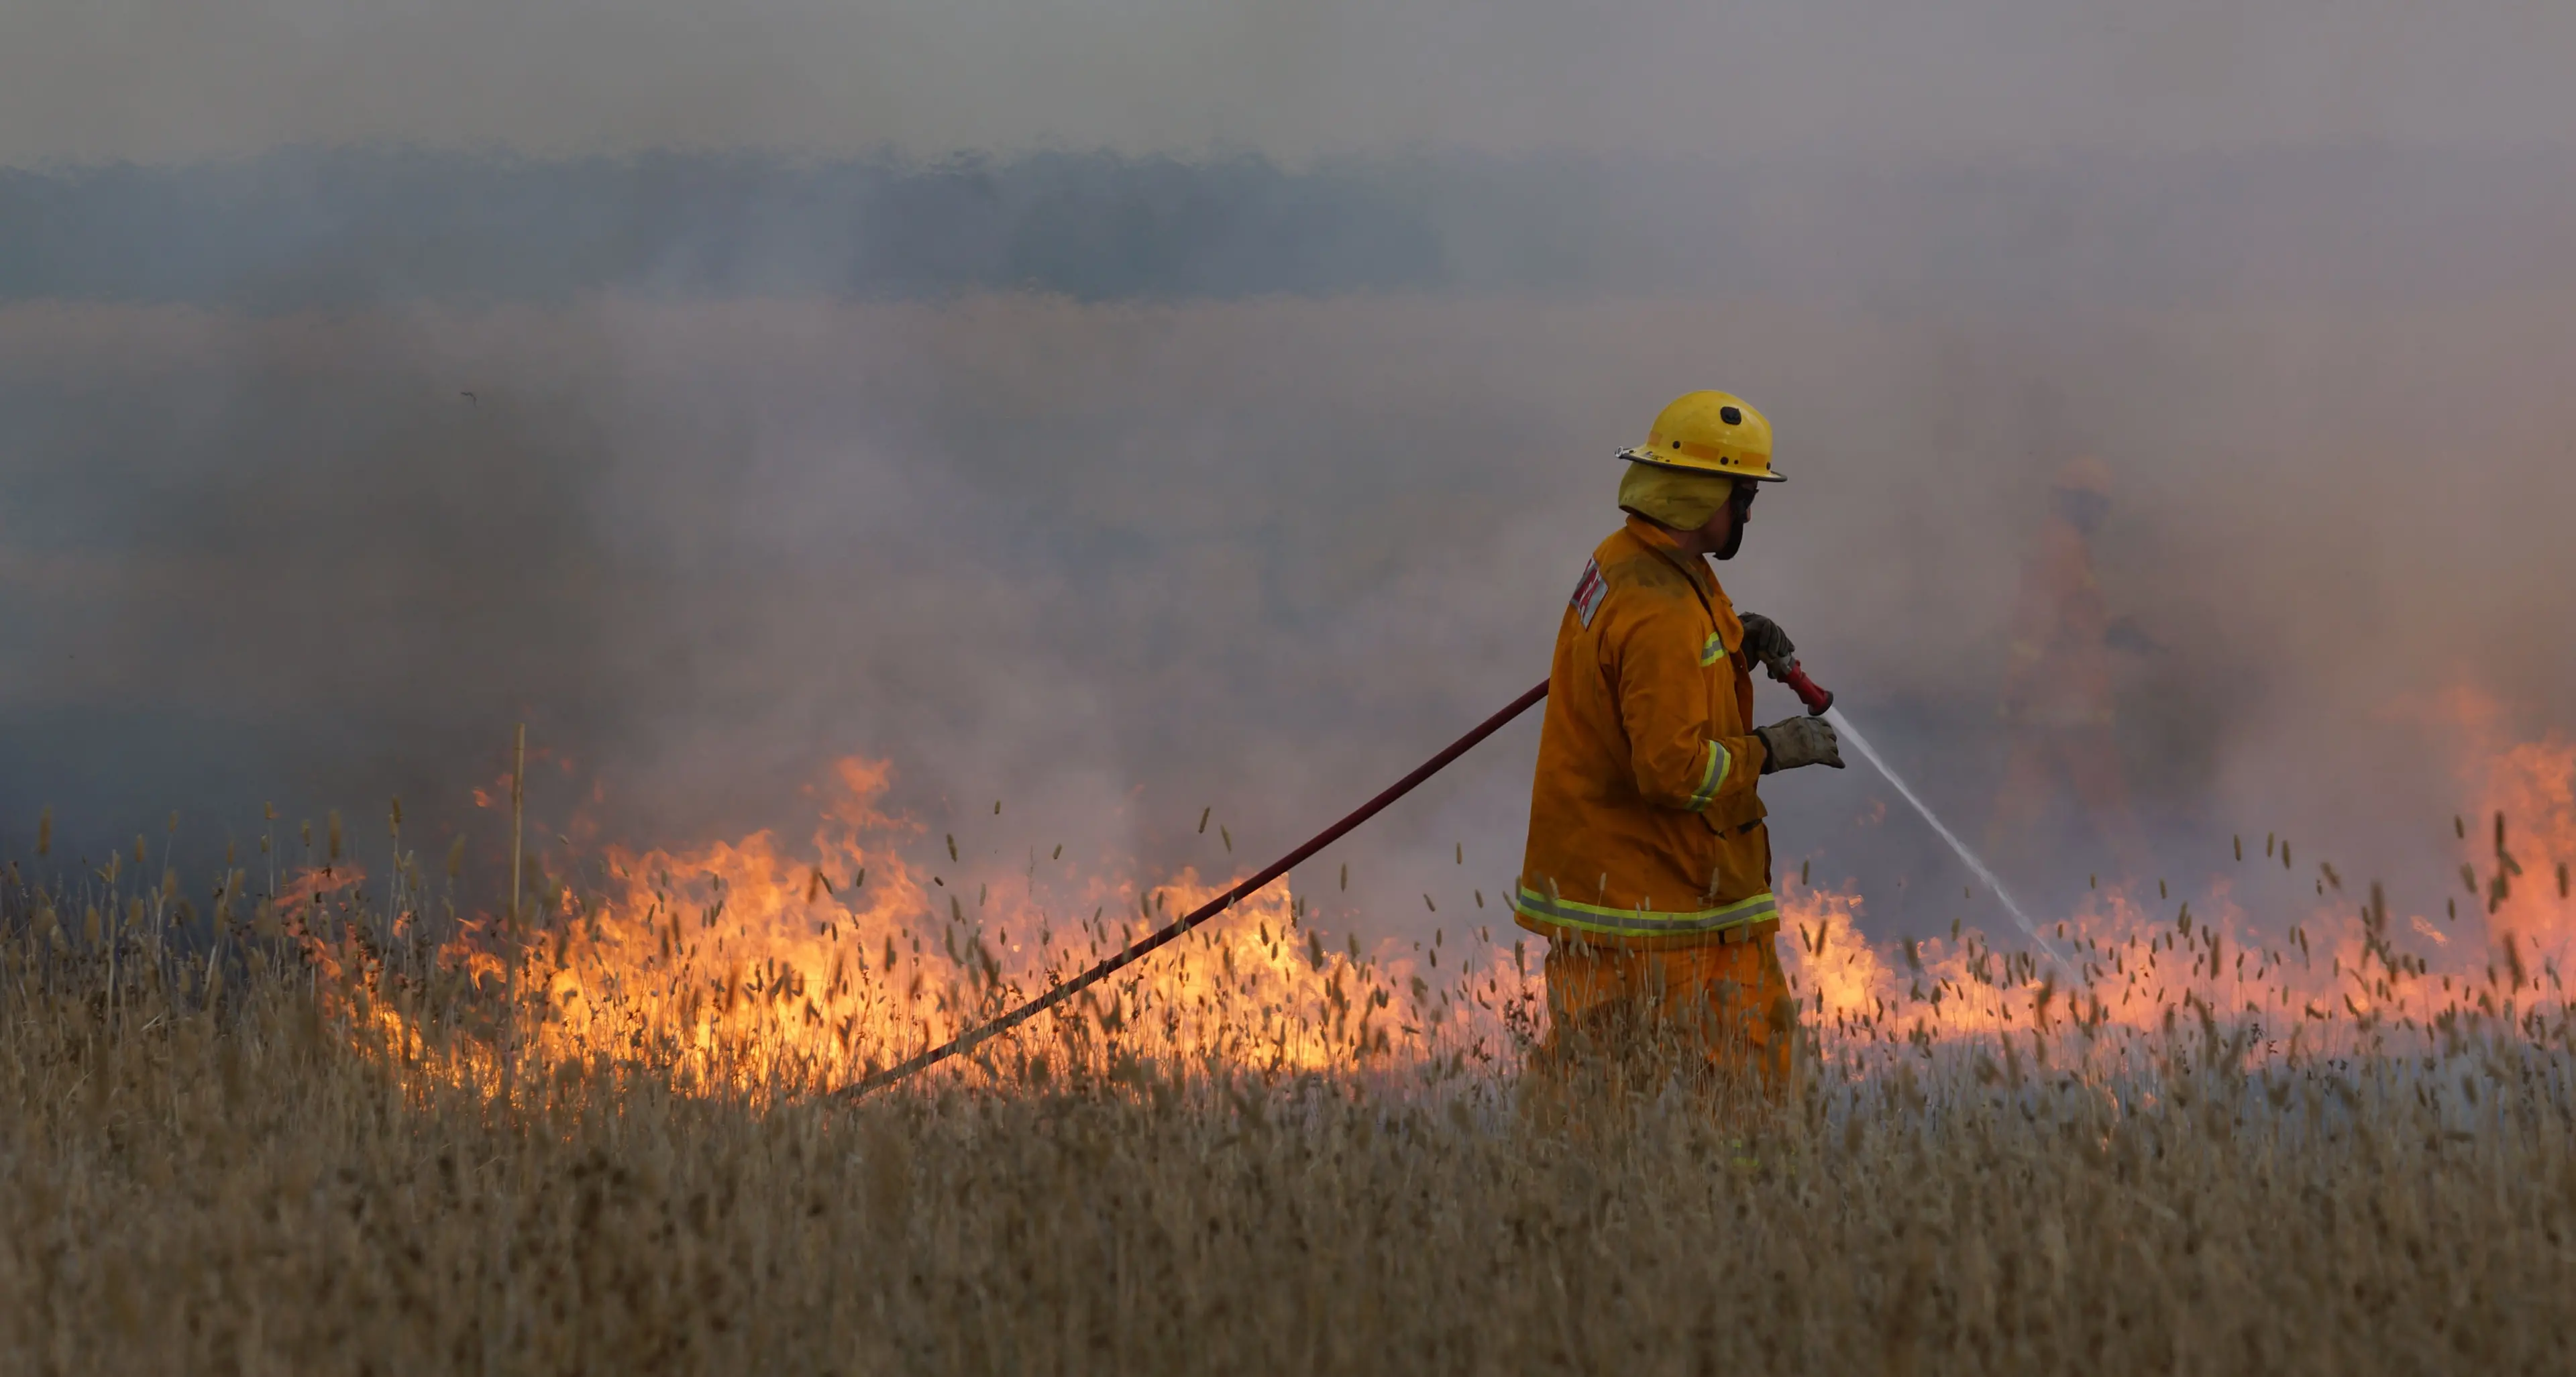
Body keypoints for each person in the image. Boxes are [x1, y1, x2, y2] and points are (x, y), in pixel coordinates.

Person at [1513, 391, 1842, 1101]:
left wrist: (1734, 645)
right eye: (1744, 494)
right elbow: (1672, 771)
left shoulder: (1631, 559)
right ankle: (1753, 1205)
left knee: (1588, 1100)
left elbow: (1648, 689)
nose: (1749, 513)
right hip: (1673, 908)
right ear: (1703, 495)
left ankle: (1549, 1206)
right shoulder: (1659, 607)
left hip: (1607, 897)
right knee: (1756, 1093)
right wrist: (1773, 749)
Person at [1984, 455, 2155, 882]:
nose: (2102, 515)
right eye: (2098, 505)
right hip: (2071, 708)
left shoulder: (2063, 547)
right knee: (2108, 803)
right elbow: (2039, 627)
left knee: (2021, 801)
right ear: (2078, 502)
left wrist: (2117, 633)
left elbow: (2073, 619)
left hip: (2052, 706)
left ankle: (1986, 882)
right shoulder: (2061, 549)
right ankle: (2148, 887)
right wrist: (2018, 688)